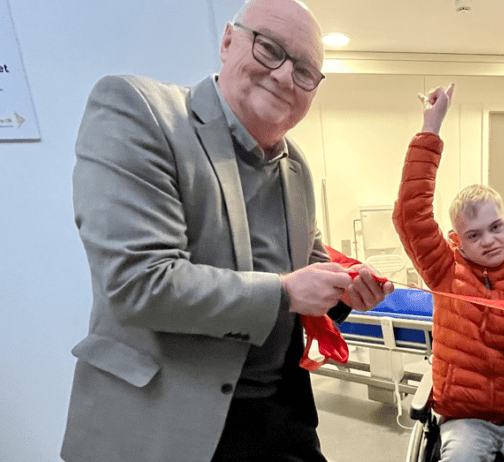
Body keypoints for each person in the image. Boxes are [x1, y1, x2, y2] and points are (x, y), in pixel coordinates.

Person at [61, 1, 393, 461]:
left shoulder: (295, 166)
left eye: (304, 72)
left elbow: (306, 261)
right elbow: (138, 282)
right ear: (228, 41)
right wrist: (284, 294)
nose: (283, 76)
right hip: (167, 423)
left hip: (281, 417)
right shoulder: (140, 111)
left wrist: (348, 284)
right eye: (270, 48)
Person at [392, 84, 504, 462]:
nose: (488, 241)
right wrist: (431, 127)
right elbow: (409, 214)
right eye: (473, 235)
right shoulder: (444, 270)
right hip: (464, 418)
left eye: (495, 228)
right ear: (458, 240)